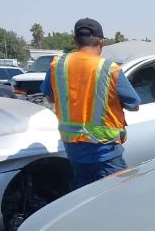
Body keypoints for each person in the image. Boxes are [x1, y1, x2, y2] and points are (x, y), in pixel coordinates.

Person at [41, 18, 141, 189]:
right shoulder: (110, 69)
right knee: (116, 199)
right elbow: (134, 105)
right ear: (101, 42)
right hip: (105, 153)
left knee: (84, 200)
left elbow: (50, 98)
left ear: (75, 41)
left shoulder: (57, 65)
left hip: (74, 152)